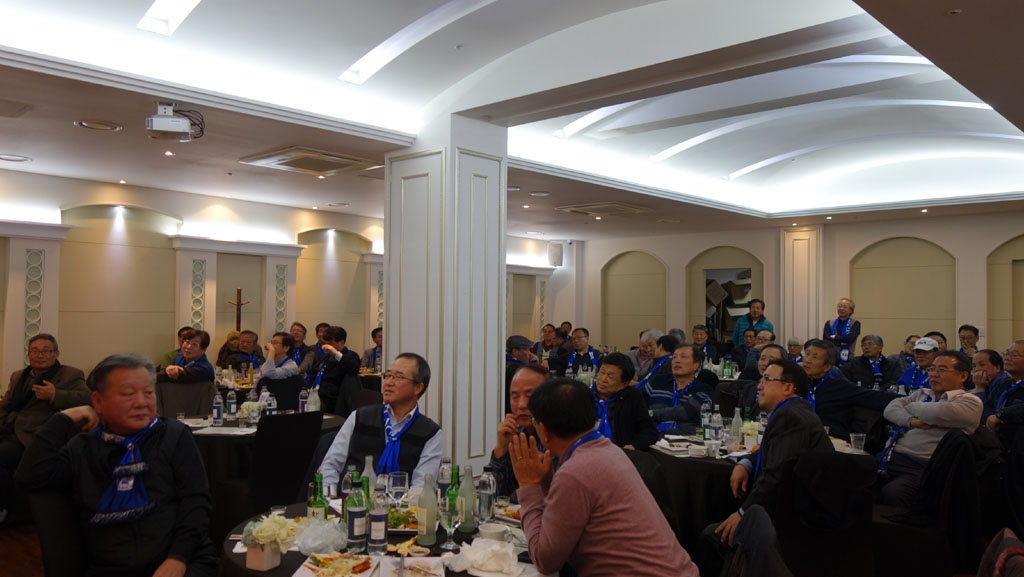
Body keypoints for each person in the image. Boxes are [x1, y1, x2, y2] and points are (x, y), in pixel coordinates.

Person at [15, 354, 218, 576]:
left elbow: (196, 501)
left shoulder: (173, 435)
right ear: (98, 402)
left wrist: (177, 558)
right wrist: (63, 418)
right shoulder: (83, 447)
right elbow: (29, 476)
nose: (141, 402)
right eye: (128, 394)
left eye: (148, 393)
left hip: (180, 560)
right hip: (110, 566)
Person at [509, 378, 700, 577]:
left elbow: (545, 560)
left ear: (543, 430)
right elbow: (565, 521)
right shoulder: (608, 450)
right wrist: (546, 481)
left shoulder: (576, 471)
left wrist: (529, 485)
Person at [703, 359, 832, 573]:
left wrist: (743, 514)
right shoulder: (794, 411)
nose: (759, 386)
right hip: (788, 508)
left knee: (710, 536)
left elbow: (776, 474)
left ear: (788, 387)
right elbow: (777, 452)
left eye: (766, 380)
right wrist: (746, 463)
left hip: (792, 521)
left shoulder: (790, 416)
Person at [0, 334, 89, 524]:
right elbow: (6, 405)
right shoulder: (18, 376)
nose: (40, 355)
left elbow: (87, 399)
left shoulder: (70, 374)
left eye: (46, 351)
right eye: (35, 351)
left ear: (56, 353)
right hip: (11, 429)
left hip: (36, 435)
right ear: (29, 354)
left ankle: (5, 510)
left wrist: (56, 395)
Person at [320, 353, 442, 489]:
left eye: (399, 377)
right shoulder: (359, 417)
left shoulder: (430, 433)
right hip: (353, 498)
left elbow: (422, 487)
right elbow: (330, 465)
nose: (388, 383)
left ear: (418, 387)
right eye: (388, 375)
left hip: (401, 501)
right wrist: (330, 495)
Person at [878, 351, 983, 507]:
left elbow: (937, 413)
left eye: (942, 370)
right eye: (932, 369)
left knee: (893, 493)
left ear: (962, 376)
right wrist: (911, 421)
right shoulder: (922, 393)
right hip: (890, 456)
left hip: (924, 467)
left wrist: (910, 407)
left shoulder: (970, 402)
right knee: (850, 473)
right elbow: (890, 409)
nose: (934, 374)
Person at [800, 339, 896, 441]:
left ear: (827, 367)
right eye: (807, 354)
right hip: (802, 437)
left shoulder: (839, 386)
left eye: (815, 357)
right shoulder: (798, 384)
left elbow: (874, 397)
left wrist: (906, 400)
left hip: (833, 440)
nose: (807, 360)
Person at [489, 364, 547, 502]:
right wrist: (501, 449)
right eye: (515, 397)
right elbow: (495, 496)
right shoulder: (517, 434)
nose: (521, 405)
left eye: (530, 396)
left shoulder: (558, 439)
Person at [591, 352, 657, 450]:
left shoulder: (632, 397)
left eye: (610, 376)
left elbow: (649, 431)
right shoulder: (583, 395)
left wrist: (633, 446)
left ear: (624, 384)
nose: (603, 379)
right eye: (602, 372)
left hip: (620, 452)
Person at [648, 344, 714, 434]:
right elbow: (637, 402)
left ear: (696, 365)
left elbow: (685, 412)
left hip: (686, 439)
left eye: (683, 357)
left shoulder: (704, 390)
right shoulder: (657, 382)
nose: (677, 361)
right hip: (653, 437)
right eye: (674, 357)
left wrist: (651, 414)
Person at [308, 326, 361, 415]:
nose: (327, 346)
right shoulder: (326, 357)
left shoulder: (350, 355)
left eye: (331, 343)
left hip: (332, 399)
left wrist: (336, 354)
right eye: (326, 343)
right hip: (316, 394)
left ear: (342, 342)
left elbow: (354, 368)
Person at [734, 344, 787, 421]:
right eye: (762, 359)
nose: (765, 363)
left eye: (772, 360)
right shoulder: (749, 388)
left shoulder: (784, 391)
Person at [985, 341, 1024, 445]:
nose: (1007, 358)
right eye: (1006, 353)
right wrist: (989, 418)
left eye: (1014, 355)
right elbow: (988, 406)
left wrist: (1000, 415)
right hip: (997, 442)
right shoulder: (1002, 383)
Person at [973, 349, 1012, 422]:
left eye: (982, 365)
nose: (976, 369)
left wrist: (979, 389)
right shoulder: (986, 382)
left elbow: (988, 416)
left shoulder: (1003, 382)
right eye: (974, 366)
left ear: (997, 367)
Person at [822, 298, 861, 366]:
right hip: (831, 356)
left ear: (851, 310)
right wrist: (841, 341)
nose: (841, 309)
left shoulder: (855, 323)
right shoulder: (829, 323)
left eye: (845, 307)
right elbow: (826, 340)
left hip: (848, 356)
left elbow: (850, 338)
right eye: (839, 306)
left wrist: (835, 337)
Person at [505, 335, 538, 414]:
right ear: (515, 352)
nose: (530, 354)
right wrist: (535, 366)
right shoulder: (520, 370)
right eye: (527, 350)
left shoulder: (504, 364)